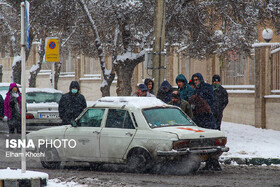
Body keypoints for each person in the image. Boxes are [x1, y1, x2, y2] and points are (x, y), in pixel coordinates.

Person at [191, 73, 221, 171]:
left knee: (210, 142)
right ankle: (210, 163)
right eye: (194, 80)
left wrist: (201, 102)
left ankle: (215, 163)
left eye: (197, 80)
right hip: (200, 118)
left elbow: (211, 100)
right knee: (204, 143)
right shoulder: (196, 90)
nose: (195, 82)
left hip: (207, 117)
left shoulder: (207, 87)